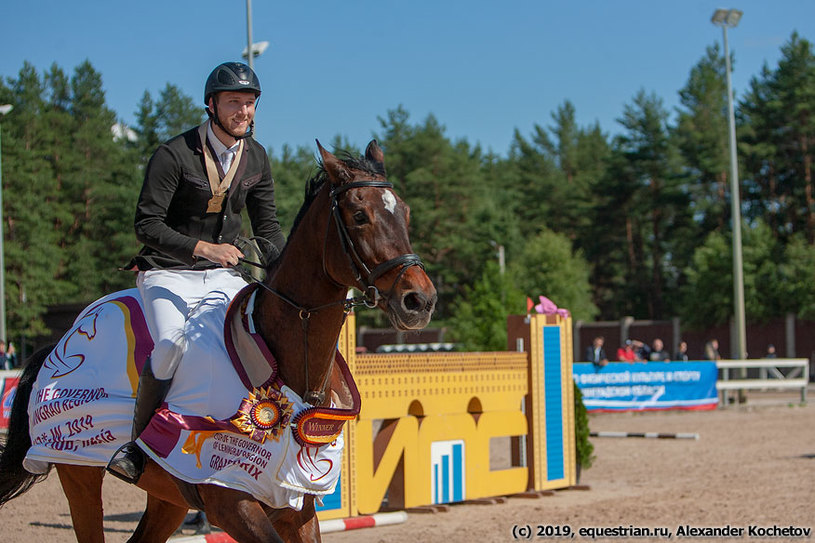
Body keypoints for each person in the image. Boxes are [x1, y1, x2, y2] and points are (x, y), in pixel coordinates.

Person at [107, 62, 286, 485]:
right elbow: (146, 225)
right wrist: (203, 248)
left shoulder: (257, 156)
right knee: (170, 345)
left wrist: (286, 274)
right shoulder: (173, 154)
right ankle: (137, 447)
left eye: (250, 102)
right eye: (234, 103)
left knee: (251, 343)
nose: (244, 111)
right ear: (211, 105)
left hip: (223, 274)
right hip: (168, 271)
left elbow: (269, 228)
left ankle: (243, 442)